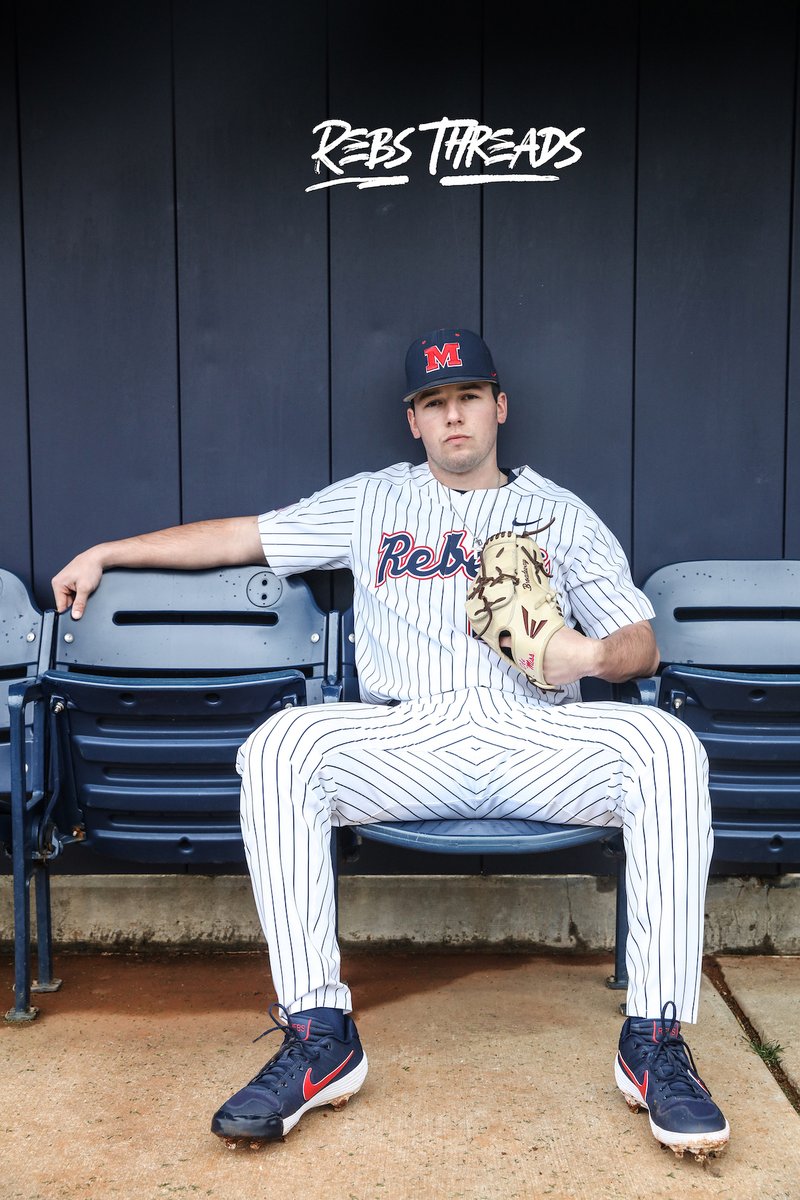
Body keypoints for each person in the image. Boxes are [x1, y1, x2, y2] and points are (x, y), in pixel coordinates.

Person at [52, 327, 729, 1159]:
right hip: (409, 733)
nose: (454, 417)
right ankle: (319, 1034)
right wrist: (108, 552)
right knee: (280, 746)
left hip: (537, 730)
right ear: (414, 421)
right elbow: (242, 538)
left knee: (666, 747)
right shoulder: (371, 502)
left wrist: (581, 654)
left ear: (499, 407)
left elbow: (641, 642)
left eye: (468, 398)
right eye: (434, 403)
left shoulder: (560, 512)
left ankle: (653, 1042)